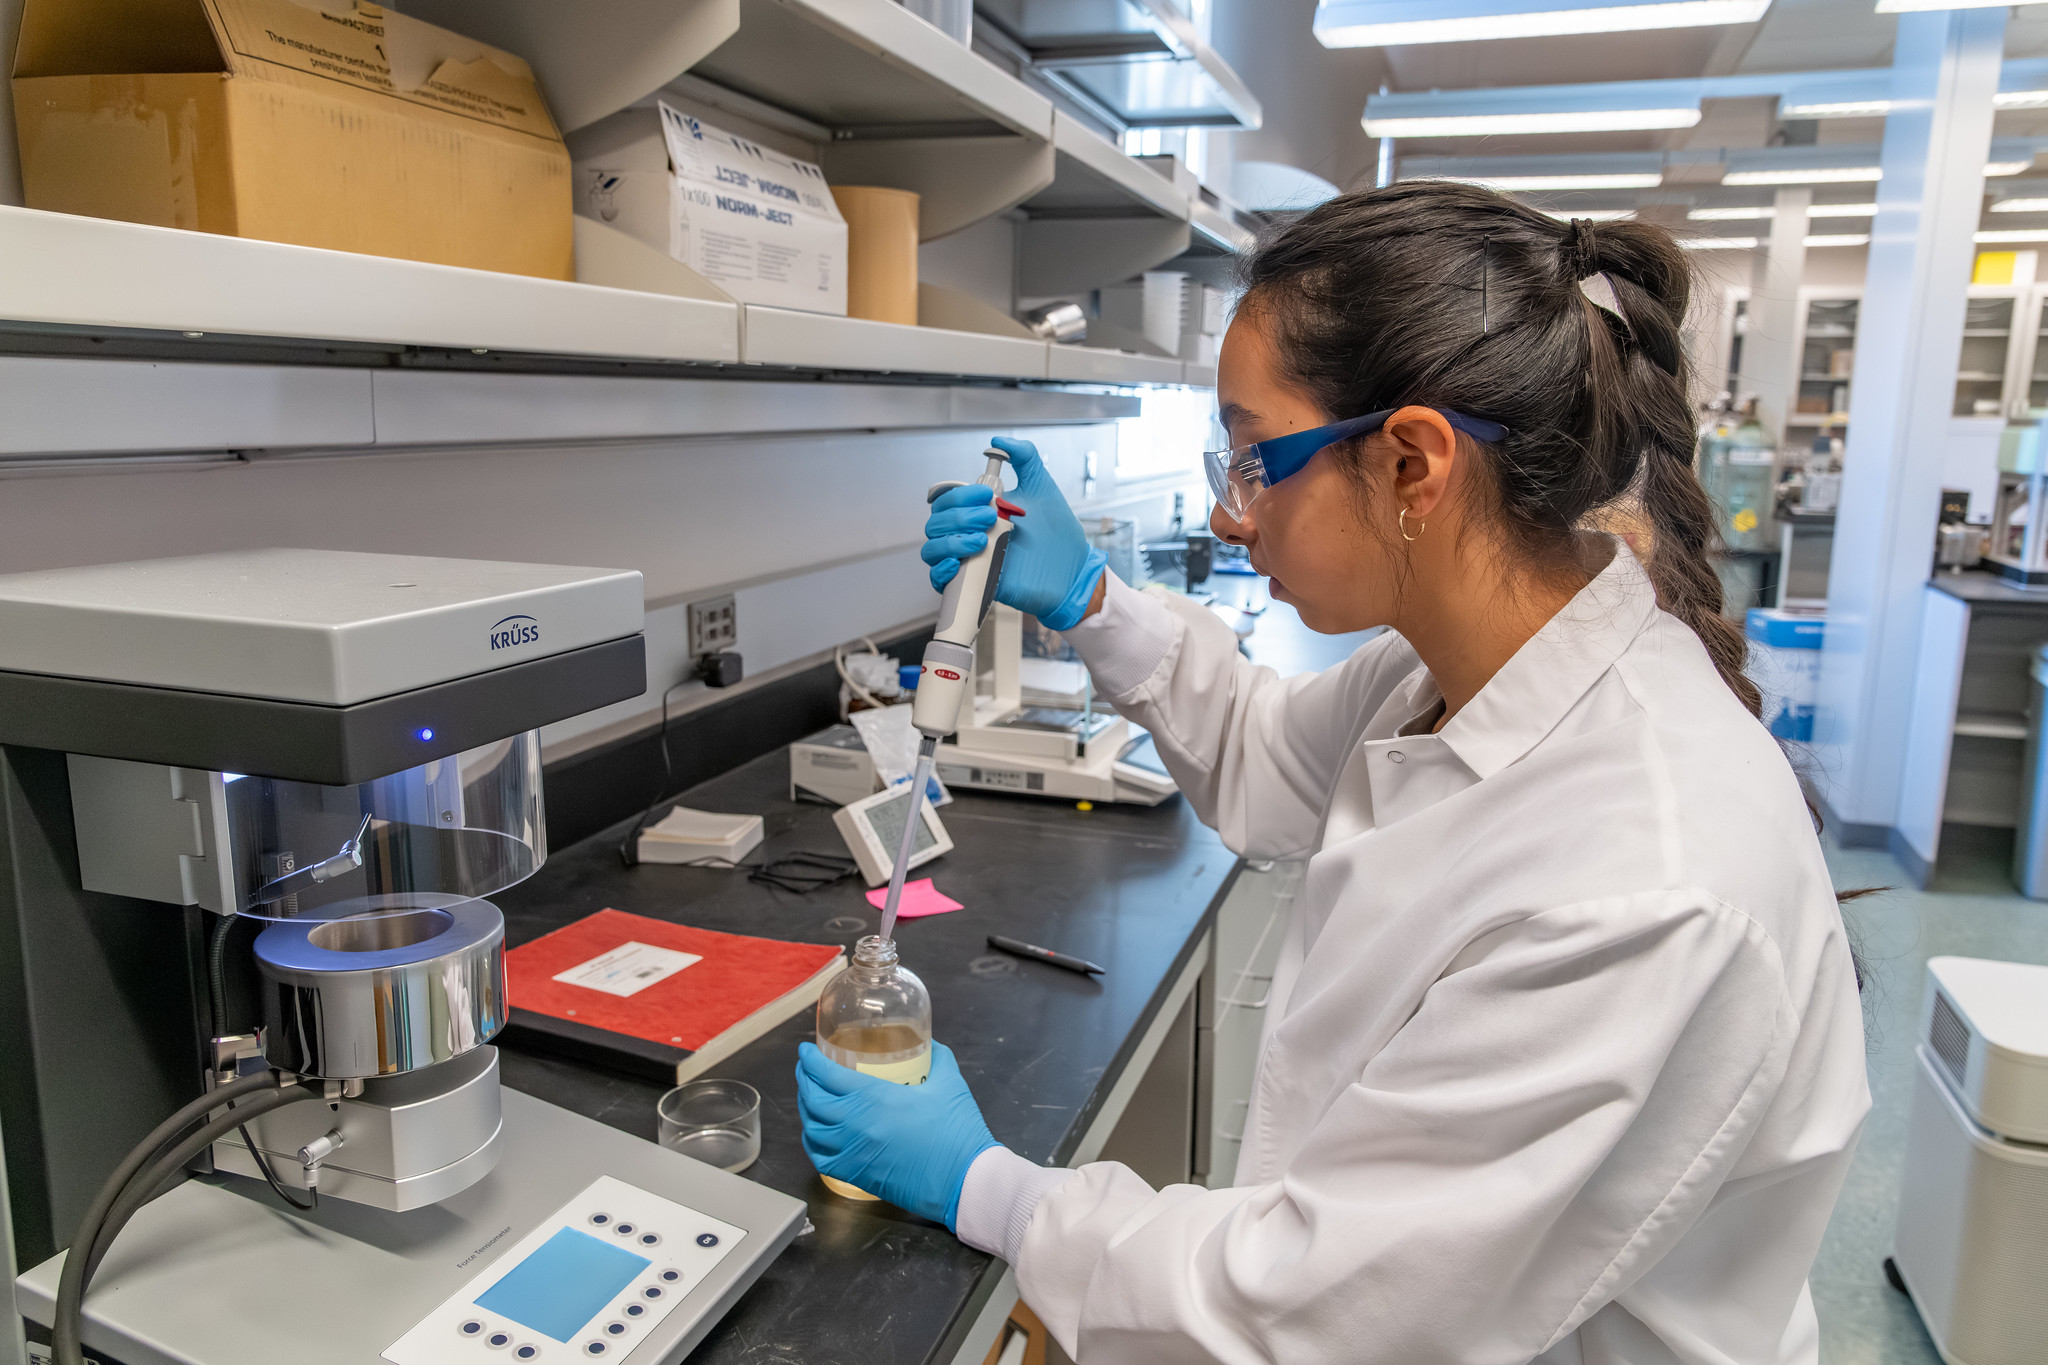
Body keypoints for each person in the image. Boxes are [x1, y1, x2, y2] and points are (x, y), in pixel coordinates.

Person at [796, 182, 1869, 1364]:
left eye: (1256, 457)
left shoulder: (1638, 886)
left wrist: (984, 1186)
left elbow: (1312, 1312)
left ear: (1413, 462)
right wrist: (1089, 602)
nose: (1223, 512)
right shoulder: (1461, 661)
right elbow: (1269, 760)